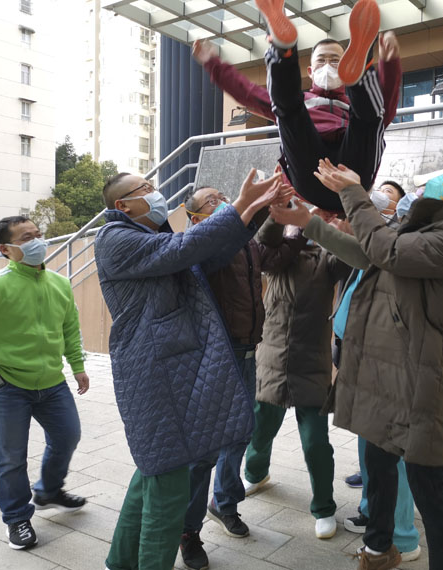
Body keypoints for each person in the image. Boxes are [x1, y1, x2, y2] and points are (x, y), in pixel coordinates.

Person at [273, 151, 443, 569]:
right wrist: (307, 223)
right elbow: (367, 254)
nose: (440, 175)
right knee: (378, 463)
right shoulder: (435, 226)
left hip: (422, 373)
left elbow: (387, 251)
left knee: (426, 481)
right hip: (389, 367)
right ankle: (378, 551)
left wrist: (353, 192)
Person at [94, 169, 290, 570]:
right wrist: (240, 204)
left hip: (173, 368)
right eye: (146, 189)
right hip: (153, 372)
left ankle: (120, 562)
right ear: (123, 205)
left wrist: (255, 208)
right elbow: (188, 246)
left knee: (152, 473)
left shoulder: (152, 237)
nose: (156, 193)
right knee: (168, 487)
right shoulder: (115, 238)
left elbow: (212, 253)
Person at [271, 188, 421, 563]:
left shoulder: (396, 252)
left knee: (390, 455)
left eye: (346, 216)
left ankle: (401, 537)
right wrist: (303, 221)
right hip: (360, 361)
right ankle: (373, 512)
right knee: (373, 452)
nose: (338, 221)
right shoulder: (374, 250)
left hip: (385, 367)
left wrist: (314, 221)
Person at [177, 186, 306, 570]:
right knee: (203, 451)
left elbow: (273, 256)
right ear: (195, 217)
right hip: (217, 354)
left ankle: (224, 502)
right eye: (211, 200)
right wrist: (257, 208)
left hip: (248, 350)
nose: (221, 201)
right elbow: (216, 244)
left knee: (239, 433)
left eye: (222, 195)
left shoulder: (244, 242)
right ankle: (188, 531)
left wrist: (299, 227)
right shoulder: (199, 245)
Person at [0, 215, 89, 550]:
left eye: (38, 234)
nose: (37, 241)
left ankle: (48, 491)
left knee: (67, 436)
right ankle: (16, 518)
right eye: (27, 237)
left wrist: (77, 366)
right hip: (7, 386)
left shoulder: (60, 284)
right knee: (11, 458)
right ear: (5, 249)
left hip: (52, 383)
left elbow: (69, 328)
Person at [191, 0, 402, 212]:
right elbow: (248, 93)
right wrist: (214, 65)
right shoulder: (304, 100)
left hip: (353, 171)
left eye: (335, 61)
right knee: (287, 110)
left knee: (370, 119)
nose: (328, 66)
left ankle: (361, 71)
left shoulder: (351, 105)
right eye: (322, 60)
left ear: (346, 64)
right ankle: (283, 50)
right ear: (310, 71)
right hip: (311, 173)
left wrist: (390, 64)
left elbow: (387, 107)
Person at [241, 212, 351, 539]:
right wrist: (280, 213)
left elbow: (350, 258)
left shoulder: (326, 258)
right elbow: (264, 241)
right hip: (271, 358)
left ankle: (324, 507)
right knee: (260, 428)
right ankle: (255, 473)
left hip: (311, 363)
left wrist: (339, 229)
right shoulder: (278, 255)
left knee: (316, 442)